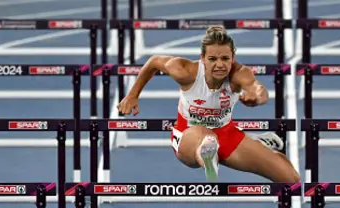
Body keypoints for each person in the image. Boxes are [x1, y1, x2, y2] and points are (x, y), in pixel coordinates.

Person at [117, 26, 300, 183]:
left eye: (225, 59)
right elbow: (154, 61)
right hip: (189, 134)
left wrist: (257, 98)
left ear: (233, 57)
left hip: (227, 134)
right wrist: (132, 95)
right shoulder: (185, 71)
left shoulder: (239, 73)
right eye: (212, 59)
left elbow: (258, 88)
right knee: (206, 137)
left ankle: (254, 144)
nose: (219, 65)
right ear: (202, 58)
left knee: (291, 179)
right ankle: (208, 159)